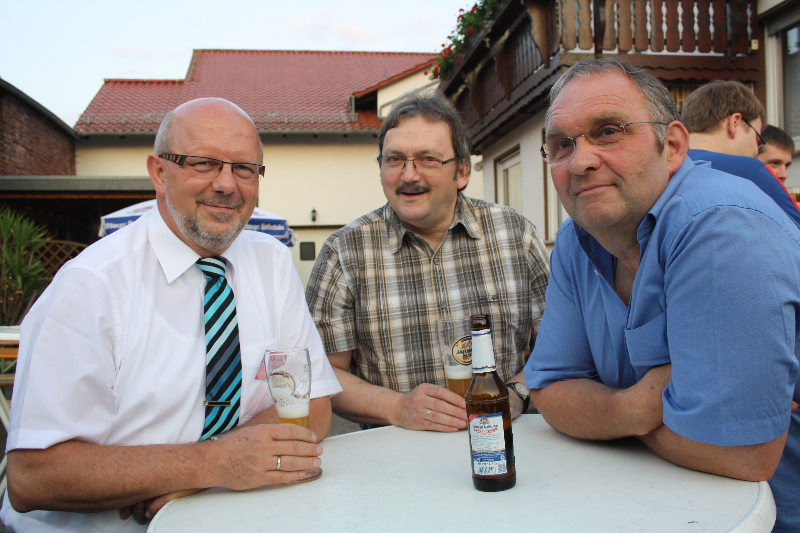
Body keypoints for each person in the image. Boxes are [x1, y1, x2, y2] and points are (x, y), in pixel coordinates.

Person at [1, 98, 342, 532]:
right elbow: (33, 477)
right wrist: (212, 464)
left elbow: (314, 406)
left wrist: (199, 474)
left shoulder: (271, 261)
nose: (227, 184)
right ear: (159, 173)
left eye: (244, 169)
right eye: (203, 163)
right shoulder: (90, 285)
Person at [525, 58, 800, 532]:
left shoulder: (721, 225)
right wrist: (637, 408)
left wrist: (600, 416)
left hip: (763, 517)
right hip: (643, 506)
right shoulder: (576, 239)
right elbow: (549, 391)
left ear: (672, 146)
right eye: (561, 144)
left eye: (608, 131)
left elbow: (742, 453)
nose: (581, 160)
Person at [306, 92, 549, 432]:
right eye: (394, 160)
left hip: (507, 442)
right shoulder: (344, 253)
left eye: (428, 159)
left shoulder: (515, 235)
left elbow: (558, 346)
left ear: (461, 171)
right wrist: (396, 407)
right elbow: (322, 373)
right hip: (399, 457)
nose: (409, 175)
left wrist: (517, 392)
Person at [681, 80, 800, 227]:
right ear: (735, 123)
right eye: (757, 138)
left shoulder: (666, 168)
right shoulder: (748, 170)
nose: (756, 149)